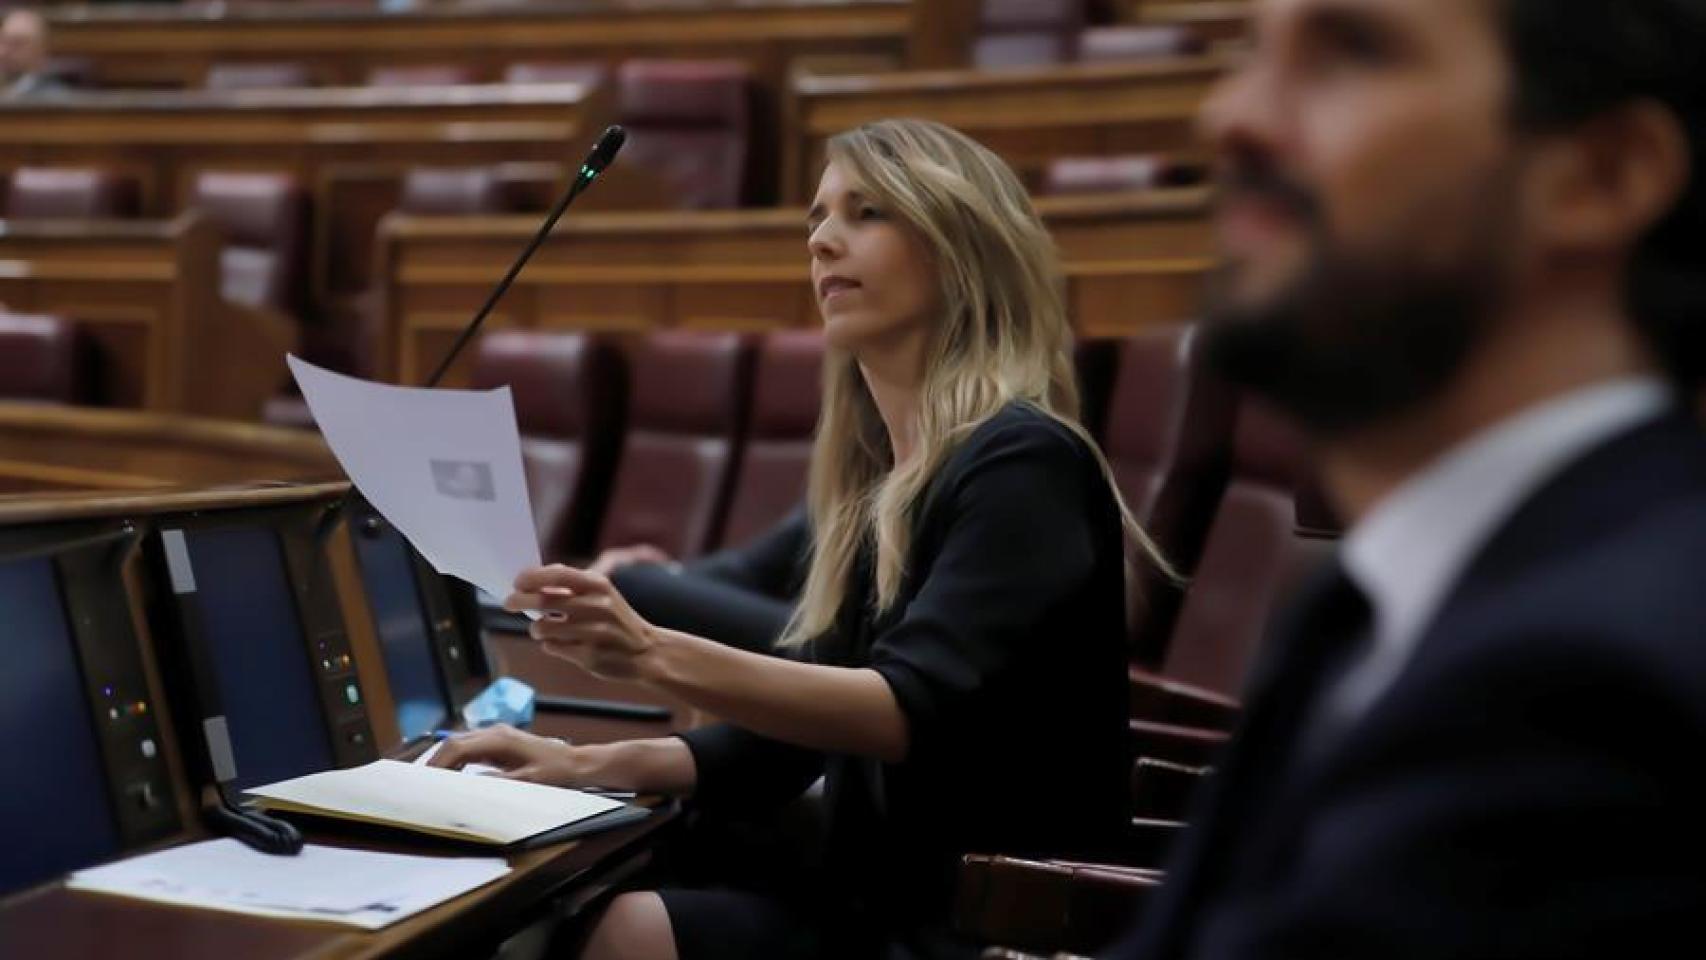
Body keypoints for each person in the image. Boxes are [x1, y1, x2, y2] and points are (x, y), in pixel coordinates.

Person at [434, 119, 1161, 959]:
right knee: (580, 906)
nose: (821, 240)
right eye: (817, 218)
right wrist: (584, 766)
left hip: (973, 929)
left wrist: (649, 651)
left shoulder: (1025, 463)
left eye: (866, 213)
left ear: (962, 246)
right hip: (872, 898)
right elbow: (792, 739)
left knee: (603, 930)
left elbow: (902, 710)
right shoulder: (884, 483)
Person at [1109, 0, 1706, 957]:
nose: (1230, 115)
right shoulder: (1370, 604)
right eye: (1253, 51)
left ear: (1604, 175)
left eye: (1354, 48)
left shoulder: (1592, 690)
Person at [1, 10, 66, 101]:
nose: (3, 52)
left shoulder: (55, 100)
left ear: (41, 50)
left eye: (17, 44)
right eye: (3, 42)